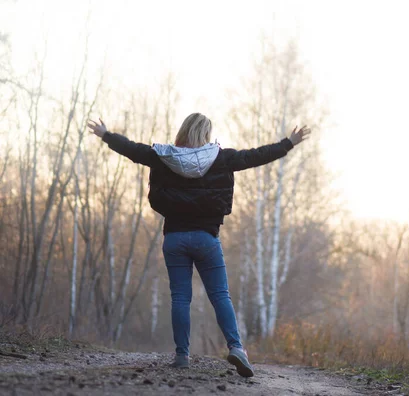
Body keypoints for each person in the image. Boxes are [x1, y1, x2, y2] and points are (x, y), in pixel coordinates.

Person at [87, 113, 310, 377]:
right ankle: (236, 347)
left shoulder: (164, 156)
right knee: (220, 295)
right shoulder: (221, 157)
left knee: (180, 297)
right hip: (206, 238)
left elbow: (133, 150)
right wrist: (289, 142)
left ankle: (182, 355)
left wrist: (106, 134)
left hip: (175, 238)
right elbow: (256, 156)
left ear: (183, 131)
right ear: (205, 134)